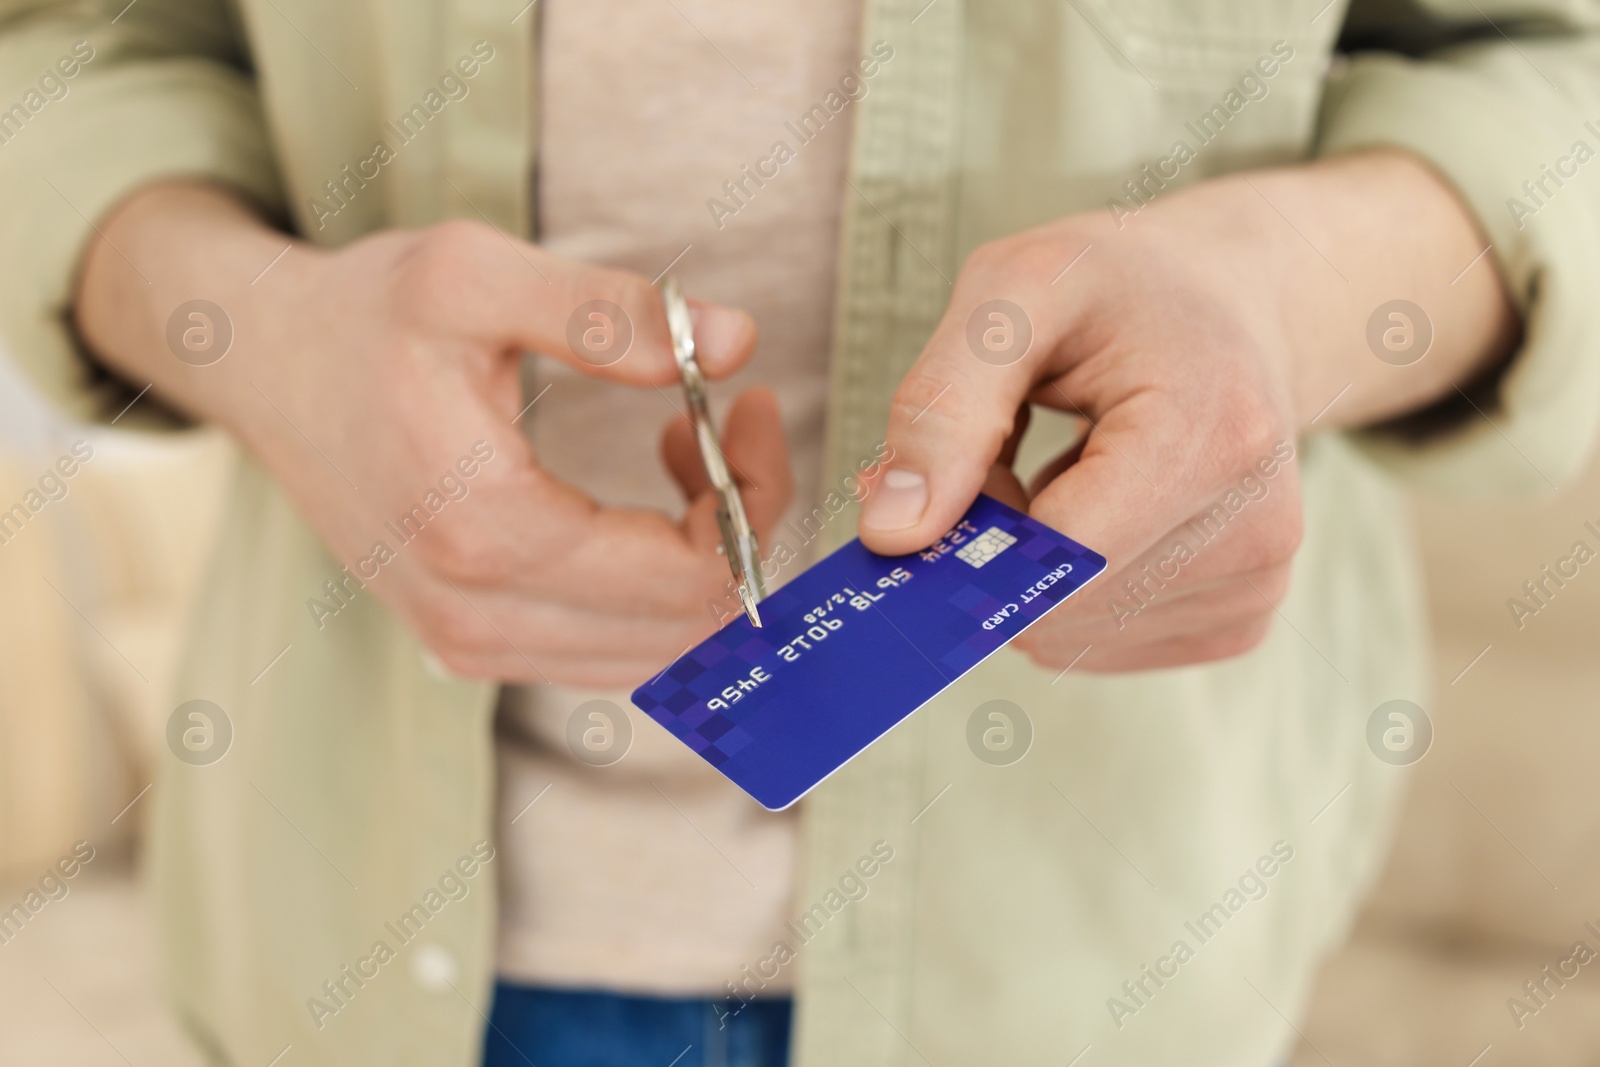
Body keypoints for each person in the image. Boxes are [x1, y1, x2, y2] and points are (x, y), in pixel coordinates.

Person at [2, 0, 1597, 1064]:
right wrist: (251, 322)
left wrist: (1289, 293)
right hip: (343, 922)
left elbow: (1552, 69)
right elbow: (74, 41)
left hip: (1091, 955)